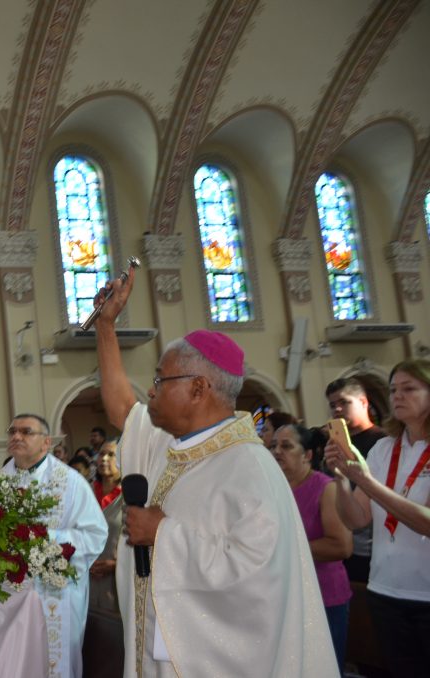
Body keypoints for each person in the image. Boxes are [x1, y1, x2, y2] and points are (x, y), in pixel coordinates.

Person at [93, 266, 336, 677]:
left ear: (198, 388)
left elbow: (259, 577)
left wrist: (162, 534)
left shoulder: (249, 466)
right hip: (157, 649)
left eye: (160, 379)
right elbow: (121, 408)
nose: (151, 390)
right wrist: (105, 325)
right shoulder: (171, 442)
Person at [325, 359, 430, 678]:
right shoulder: (384, 449)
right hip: (385, 589)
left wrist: (368, 482)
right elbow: (356, 519)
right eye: (394, 389)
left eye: (409, 388)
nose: (398, 395)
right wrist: (343, 478)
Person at [0, 414, 107, 678]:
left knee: (54, 664)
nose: (16, 436)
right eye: (12, 431)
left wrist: (43, 538)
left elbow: (95, 534)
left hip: (56, 594)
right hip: (9, 596)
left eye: (26, 432)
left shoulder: (71, 483)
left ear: (46, 442)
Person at [272, 424, 352, 673]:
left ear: (307, 455)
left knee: (323, 668)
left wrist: (283, 549)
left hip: (324, 595)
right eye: (273, 446)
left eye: (286, 446)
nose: (276, 452)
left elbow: (341, 546)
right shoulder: (274, 487)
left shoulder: (325, 487)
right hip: (284, 596)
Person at [325, 376, 386, 583]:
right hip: (347, 531)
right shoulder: (337, 444)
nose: (338, 410)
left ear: (363, 402)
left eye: (344, 402)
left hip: (375, 539)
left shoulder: (384, 442)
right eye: (333, 405)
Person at [85, 439, 125, 678]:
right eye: (101, 454)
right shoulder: (86, 491)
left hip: (116, 583)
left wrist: (117, 565)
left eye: (111, 455)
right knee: (91, 644)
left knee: (115, 645)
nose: (104, 460)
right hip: (87, 579)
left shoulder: (130, 496)